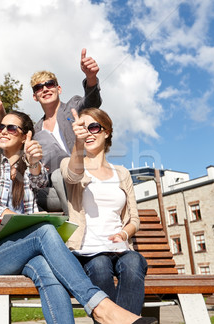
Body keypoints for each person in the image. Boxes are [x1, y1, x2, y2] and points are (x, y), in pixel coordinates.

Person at [0, 111, 156, 324]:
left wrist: (34, 163)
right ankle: (100, 308)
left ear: (25, 136)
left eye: (11, 128)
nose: (3, 131)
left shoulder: (28, 169)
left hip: (23, 253)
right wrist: (18, 221)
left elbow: (40, 183)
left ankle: (100, 310)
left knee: (50, 274)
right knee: (44, 231)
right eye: (1, 127)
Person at [61, 108, 148, 316]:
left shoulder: (122, 173)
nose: (88, 133)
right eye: (83, 128)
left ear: (106, 132)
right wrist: (78, 143)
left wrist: (124, 234)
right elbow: (72, 176)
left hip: (119, 249)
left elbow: (134, 218)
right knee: (99, 265)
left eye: (93, 127)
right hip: (87, 251)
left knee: (134, 261)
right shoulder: (71, 162)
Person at [31, 48, 101, 213]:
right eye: (39, 87)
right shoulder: (36, 130)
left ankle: (76, 218)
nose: (45, 89)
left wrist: (91, 78)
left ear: (58, 89)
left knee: (59, 173)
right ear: (35, 96)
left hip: (83, 175)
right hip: (56, 185)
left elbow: (92, 101)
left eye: (50, 84)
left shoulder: (73, 107)